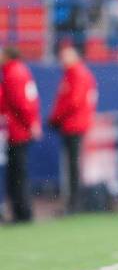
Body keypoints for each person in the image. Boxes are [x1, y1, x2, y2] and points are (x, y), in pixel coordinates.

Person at [49, 45, 98, 213]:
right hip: (73, 124)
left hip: (74, 125)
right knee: (72, 165)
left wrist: (56, 118)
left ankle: (74, 204)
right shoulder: (75, 74)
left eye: (65, 56)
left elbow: (73, 102)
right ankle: (73, 203)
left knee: (72, 166)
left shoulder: (76, 74)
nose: (62, 61)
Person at [0, 47, 42, 223]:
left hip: (17, 131)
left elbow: (22, 104)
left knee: (18, 174)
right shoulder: (18, 71)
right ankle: (21, 212)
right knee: (17, 173)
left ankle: (23, 213)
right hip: (19, 129)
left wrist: (30, 123)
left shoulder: (14, 74)